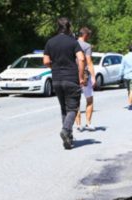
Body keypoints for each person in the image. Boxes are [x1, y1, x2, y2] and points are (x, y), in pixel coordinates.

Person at [44, 17, 86, 150]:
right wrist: (81, 77)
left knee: (64, 109)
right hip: (71, 79)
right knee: (73, 108)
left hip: (56, 80)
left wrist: (55, 68)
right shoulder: (73, 42)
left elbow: (45, 61)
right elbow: (81, 58)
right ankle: (66, 130)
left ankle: (68, 138)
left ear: (58, 27)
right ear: (69, 27)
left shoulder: (50, 42)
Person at [74, 27, 96, 132]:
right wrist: (93, 77)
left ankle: (78, 125)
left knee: (76, 101)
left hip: (74, 76)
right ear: (85, 35)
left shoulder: (72, 44)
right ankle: (88, 123)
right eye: (89, 36)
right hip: (85, 75)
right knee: (89, 100)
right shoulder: (87, 46)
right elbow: (89, 62)